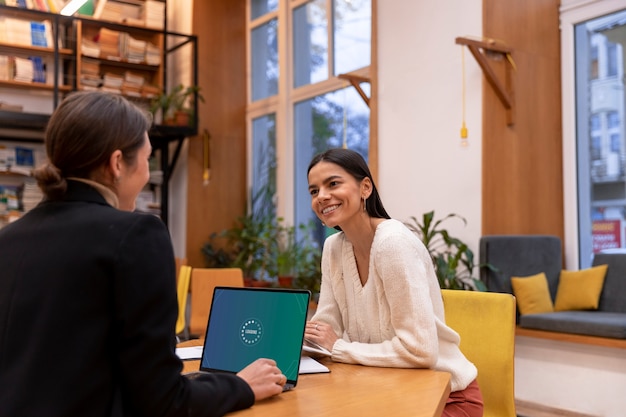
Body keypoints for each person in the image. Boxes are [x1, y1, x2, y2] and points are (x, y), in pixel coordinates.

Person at [0, 91, 287, 417]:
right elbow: (161, 402)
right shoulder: (135, 235)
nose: (148, 174)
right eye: (147, 159)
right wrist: (242, 386)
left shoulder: (7, 238)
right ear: (117, 163)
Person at [304, 148, 483, 417]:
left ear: (365, 187)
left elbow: (420, 352)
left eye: (333, 184)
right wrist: (297, 340)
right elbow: (328, 327)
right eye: (314, 191)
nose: (322, 197)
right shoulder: (333, 248)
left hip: (445, 398)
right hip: (384, 388)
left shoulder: (392, 243)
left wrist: (338, 347)